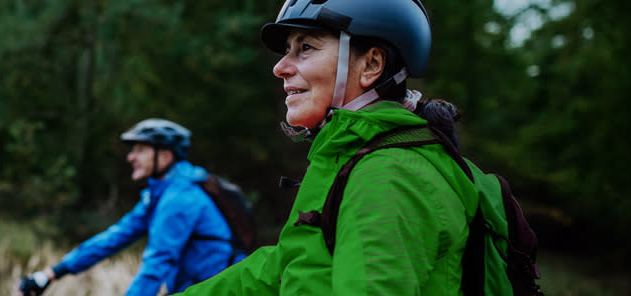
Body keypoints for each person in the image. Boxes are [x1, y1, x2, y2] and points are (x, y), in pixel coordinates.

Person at [177, 0, 475, 295]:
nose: (280, 68)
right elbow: (284, 270)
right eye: (287, 51)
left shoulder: (387, 175)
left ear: (370, 65)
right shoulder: (353, 161)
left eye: (306, 47)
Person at [18, 118, 238, 296]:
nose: (131, 157)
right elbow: (113, 238)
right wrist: (50, 274)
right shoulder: (159, 194)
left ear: (164, 156)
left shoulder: (180, 198)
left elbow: (157, 263)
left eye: (141, 149)